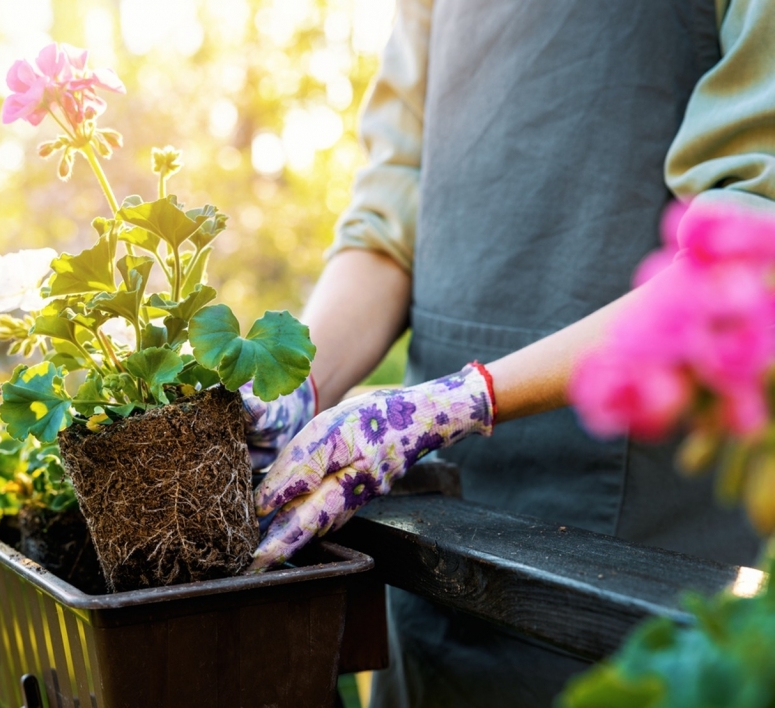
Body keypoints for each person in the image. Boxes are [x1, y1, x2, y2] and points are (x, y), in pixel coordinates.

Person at [243, 0, 775, 704]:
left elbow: (745, 248)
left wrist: (464, 400)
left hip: (626, 542)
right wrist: (302, 387)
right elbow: (387, 222)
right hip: (429, 519)